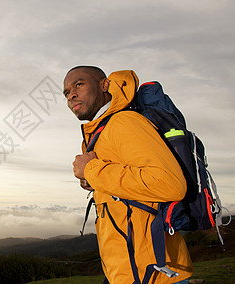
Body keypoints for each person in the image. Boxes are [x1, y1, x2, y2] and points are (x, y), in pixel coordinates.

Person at [63, 66, 194, 283]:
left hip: (155, 274)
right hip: (127, 272)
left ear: (104, 85)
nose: (71, 95)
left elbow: (169, 184)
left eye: (79, 84)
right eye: (66, 92)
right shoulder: (101, 131)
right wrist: (95, 180)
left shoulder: (124, 122)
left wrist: (93, 170)